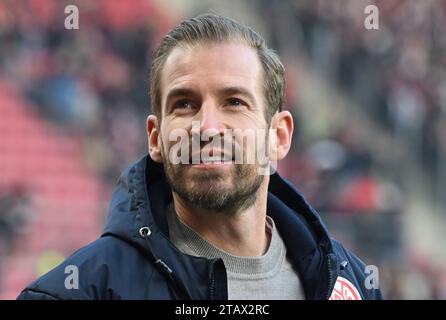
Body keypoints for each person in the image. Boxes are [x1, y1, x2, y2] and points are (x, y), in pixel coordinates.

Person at [17, 14, 382, 300]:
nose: (207, 127)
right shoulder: (75, 293)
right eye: (184, 104)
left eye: (234, 102)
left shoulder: (350, 284)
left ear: (279, 136)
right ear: (156, 139)